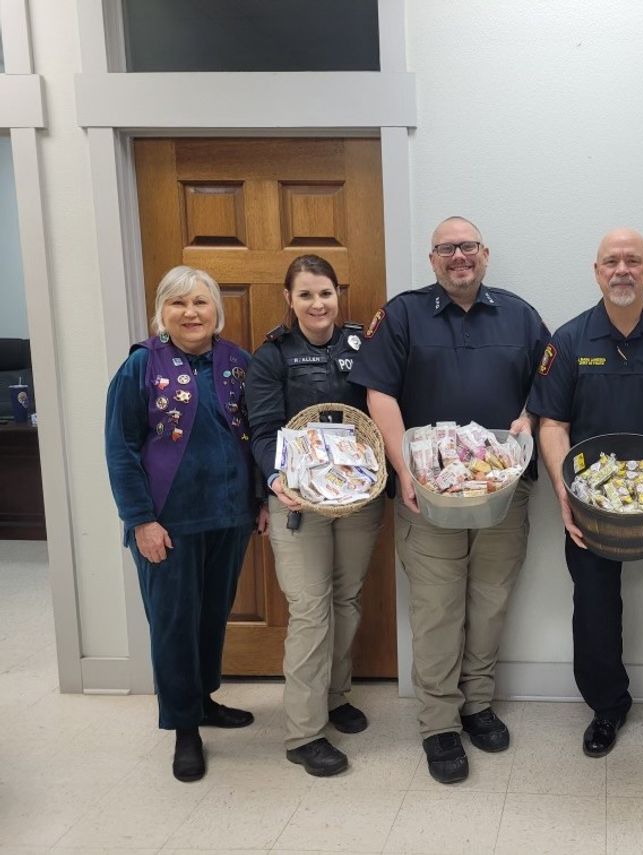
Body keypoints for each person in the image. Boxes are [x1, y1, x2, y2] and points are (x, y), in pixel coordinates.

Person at [348, 216, 548, 784]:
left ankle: (477, 705)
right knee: (437, 609)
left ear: (485, 253)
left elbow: (549, 384)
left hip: (501, 494)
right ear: (432, 259)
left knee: (489, 602)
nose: (458, 257)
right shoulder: (404, 314)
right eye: (446, 249)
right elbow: (379, 391)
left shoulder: (521, 315)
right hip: (427, 495)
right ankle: (439, 722)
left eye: (468, 247)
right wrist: (400, 467)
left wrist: (530, 417)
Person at [530, 227, 643, 777]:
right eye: (611, 261)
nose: (622, 270)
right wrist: (565, 494)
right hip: (590, 507)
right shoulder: (567, 341)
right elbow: (552, 424)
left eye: (633, 261)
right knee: (593, 609)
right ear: (596, 271)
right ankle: (607, 709)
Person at [105, 265, 265, 783]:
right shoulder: (140, 367)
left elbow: (259, 435)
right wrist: (140, 521)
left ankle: (205, 701)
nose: (191, 313)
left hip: (229, 515)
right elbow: (121, 450)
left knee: (211, 615)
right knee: (173, 624)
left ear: (216, 310)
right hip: (167, 525)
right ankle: (184, 728)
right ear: (162, 313)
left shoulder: (238, 363)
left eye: (200, 302)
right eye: (179, 304)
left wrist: (258, 499)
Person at [245, 254, 383, 777]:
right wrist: (275, 481)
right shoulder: (272, 356)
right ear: (290, 300)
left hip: (356, 499)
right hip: (297, 503)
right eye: (305, 295)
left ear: (337, 294)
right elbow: (262, 431)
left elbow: (383, 407)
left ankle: (334, 696)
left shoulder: (360, 345)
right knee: (311, 609)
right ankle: (303, 733)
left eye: (324, 293)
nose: (317, 304)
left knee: (346, 600)